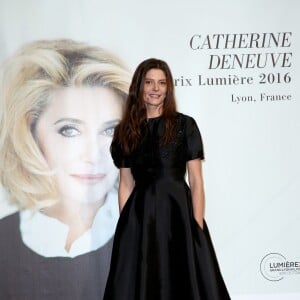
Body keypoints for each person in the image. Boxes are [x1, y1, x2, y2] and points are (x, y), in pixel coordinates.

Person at [0, 39, 130, 300]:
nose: (94, 155)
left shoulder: (159, 234)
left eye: (110, 130)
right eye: (69, 130)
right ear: (31, 135)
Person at [103, 58, 231, 299]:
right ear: (139, 87)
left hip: (178, 214)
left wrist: (197, 226)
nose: (155, 88)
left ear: (168, 88)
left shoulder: (184, 125)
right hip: (140, 217)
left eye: (162, 83)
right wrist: (128, 227)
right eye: (149, 82)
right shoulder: (127, 131)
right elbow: (126, 183)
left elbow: (196, 181)